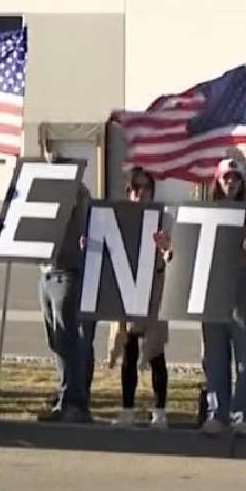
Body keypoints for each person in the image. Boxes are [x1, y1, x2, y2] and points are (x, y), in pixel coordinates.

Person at [194, 159, 246, 436]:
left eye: (236, 177)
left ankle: (245, 414)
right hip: (213, 286)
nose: (231, 182)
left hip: (244, 285)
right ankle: (216, 412)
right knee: (214, 355)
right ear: (218, 181)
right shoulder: (206, 212)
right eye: (226, 177)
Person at [37, 145, 95, 423]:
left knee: (68, 338)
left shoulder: (78, 192)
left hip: (67, 272)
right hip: (47, 272)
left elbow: (85, 218)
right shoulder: (43, 190)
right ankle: (65, 396)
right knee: (56, 340)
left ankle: (75, 401)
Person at [108, 168, 170, 429]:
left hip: (154, 290)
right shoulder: (119, 216)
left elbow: (173, 253)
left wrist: (165, 248)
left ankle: (159, 411)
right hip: (127, 288)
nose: (140, 193)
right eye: (136, 188)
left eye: (145, 188)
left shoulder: (163, 218)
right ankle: (128, 409)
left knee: (155, 351)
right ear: (129, 191)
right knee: (128, 348)